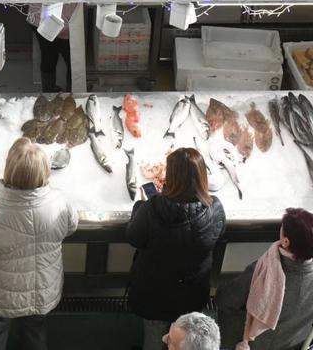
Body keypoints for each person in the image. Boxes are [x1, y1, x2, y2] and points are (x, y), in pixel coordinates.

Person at [0, 137, 79, 350]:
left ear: (9, 169)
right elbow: (71, 227)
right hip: (42, 289)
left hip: (2, 292)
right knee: (36, 331)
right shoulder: (60, 201)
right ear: (44, 171)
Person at [126, 147, 227, 350]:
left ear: (171, 177)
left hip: (153, 294)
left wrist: (141, 206)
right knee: (184, 340)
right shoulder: (214, 208)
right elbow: (218, 235)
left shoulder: (152, 208)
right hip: (191, 294)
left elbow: (133, 237)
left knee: (155, 336)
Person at [217, 208, 313, 350]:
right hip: (293, 342)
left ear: (285, 242)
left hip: (254, 342)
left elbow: (227, 299)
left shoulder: (263, 272)